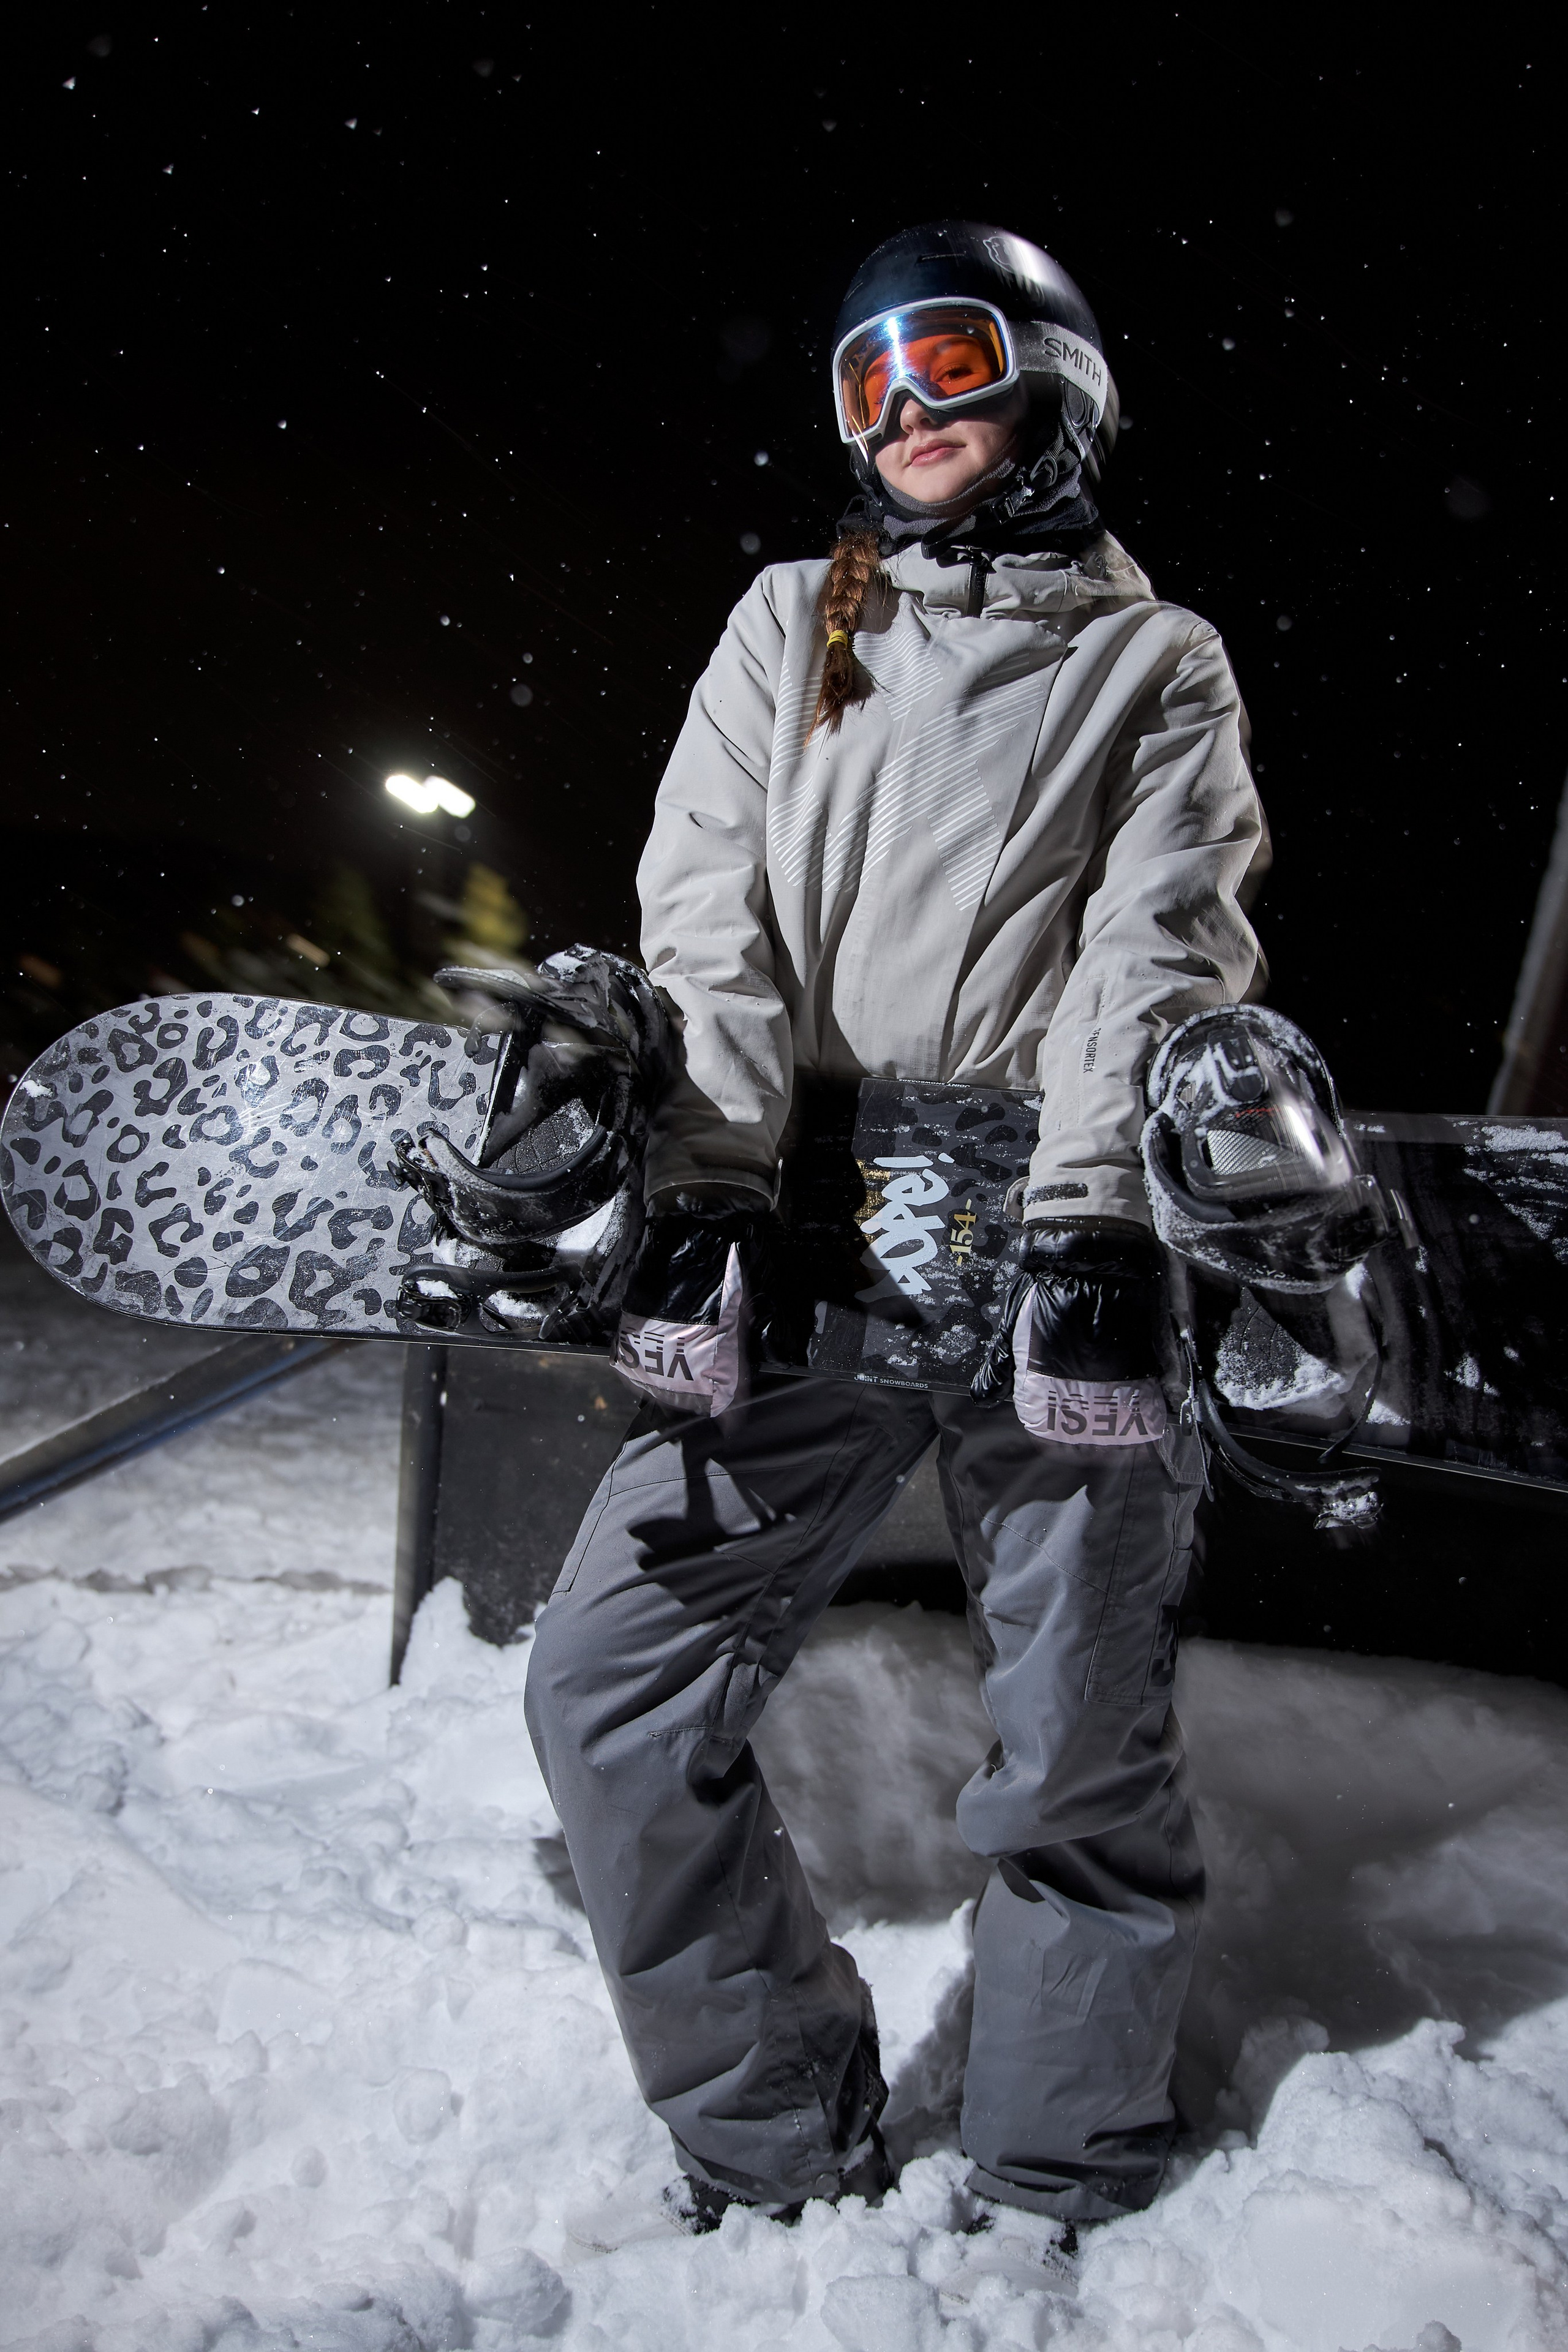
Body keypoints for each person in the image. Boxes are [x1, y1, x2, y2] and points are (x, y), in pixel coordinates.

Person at [524, 221, 1268, 2233]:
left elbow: (1160, 935)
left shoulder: (1154, 660)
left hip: (1059, 1224)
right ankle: (770, 2125)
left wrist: (1108, 1221)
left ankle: (1059, 2161)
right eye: (862, 380)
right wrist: (709, 1187)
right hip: (823, 1224)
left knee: (1079, 1738)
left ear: (1055, 379)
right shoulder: (796, 622)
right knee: (609, 1677)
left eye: (942, 357)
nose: (906, 409)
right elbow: (713, 910)